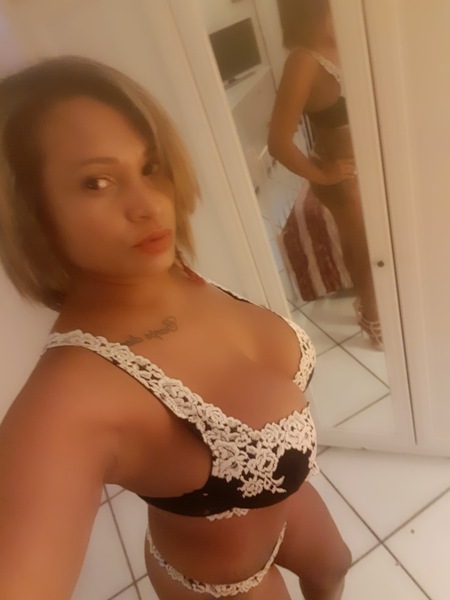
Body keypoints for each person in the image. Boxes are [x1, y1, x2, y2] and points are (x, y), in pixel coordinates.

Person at [0, 56, 351, 600]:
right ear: (30, 211)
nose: (149, 205)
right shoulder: (68, 399)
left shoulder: (171, 271)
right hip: (222, 579)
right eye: (96, 182)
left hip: (286, 500)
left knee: (334, 567)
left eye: (151, 166)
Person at [269, 0, 382, 349]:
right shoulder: (303, 61)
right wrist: (324, 175)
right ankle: (374, 318)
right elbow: (278, 142)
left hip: (374, 168)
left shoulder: (352, 42)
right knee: (368, 249)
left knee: (373, 245)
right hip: (344, 178)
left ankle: (372, 305)